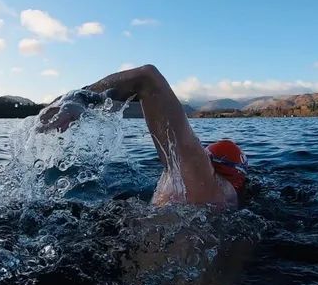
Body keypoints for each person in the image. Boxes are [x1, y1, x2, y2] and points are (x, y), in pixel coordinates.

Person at [37, 64, 248, 209]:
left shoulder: (200, 178)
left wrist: (80, 98)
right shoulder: (230, 202)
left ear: (207, 162)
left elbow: (147, 77)